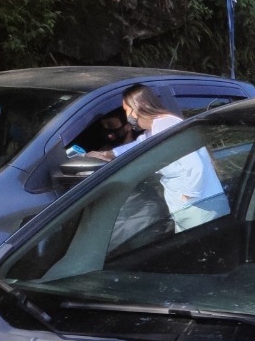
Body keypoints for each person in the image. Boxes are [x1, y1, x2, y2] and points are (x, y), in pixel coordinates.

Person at [88, 84, 228, 231]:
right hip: (185, 209)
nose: (127, 116)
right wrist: (103, 155)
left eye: (126, 110)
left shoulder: (167, 125)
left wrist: (188, 196)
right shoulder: (153, 130)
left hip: (200, 208)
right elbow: (135, 147)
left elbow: (195, 165)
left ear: (137, 106)